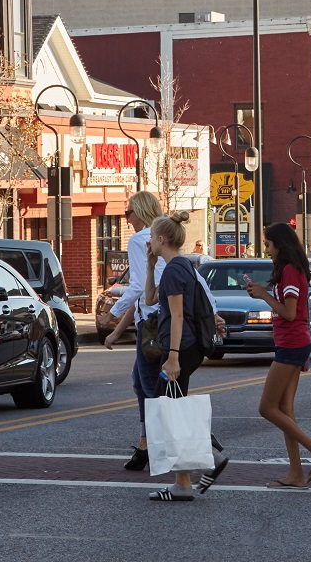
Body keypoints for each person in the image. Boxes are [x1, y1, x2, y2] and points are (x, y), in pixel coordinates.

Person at [245, 222, 311, 488]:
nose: (266, 249)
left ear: (280, 245)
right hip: (295, 343)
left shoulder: (288, 270)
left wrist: (262, 295)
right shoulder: (290, 269)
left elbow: (289, 312)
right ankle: (296, 474)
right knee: (285, 411)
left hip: (292, 344)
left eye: (268, 244)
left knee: (267, 408)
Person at [146, 210, 228, 502]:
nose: (149, 242)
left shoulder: (174, 271)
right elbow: (149, 300)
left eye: (151, 237)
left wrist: (173, 356)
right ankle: (183, 482)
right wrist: (149, 264)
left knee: (166, 407)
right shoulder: (178, 266)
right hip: (187, 347)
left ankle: (213, 456)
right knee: (171, 408)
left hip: (183, 348)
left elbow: (178, 316)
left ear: (161, 238)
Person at [104, 191, 166, 471]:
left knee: (151, 387)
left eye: (128, 212)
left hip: (153, 324)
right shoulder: (164, 236)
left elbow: (140, 288)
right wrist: (118, 331)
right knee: (144, 383)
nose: (126, 217)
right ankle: (146, 443)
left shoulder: (140, 240)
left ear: (140, 212)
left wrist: (114, 311)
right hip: (164, 319)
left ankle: (154, 445)